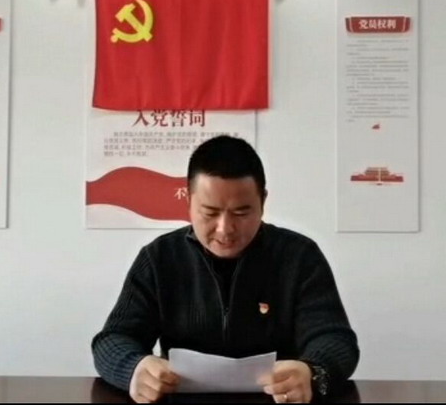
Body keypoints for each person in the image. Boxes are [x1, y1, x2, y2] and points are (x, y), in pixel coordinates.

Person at [92, 135, 359, 403]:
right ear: (188, 200)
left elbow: (335, 339)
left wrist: (312, 373)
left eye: (241, 213)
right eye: (210, 212)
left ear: (263, 201)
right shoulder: (159, 258)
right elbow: (113, 339)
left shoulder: (299, 257)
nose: (225, 229)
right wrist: (133, 369)